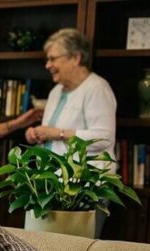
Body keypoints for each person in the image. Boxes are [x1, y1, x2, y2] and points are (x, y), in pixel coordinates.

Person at [25, 28, 116, 161]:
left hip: (84, 179)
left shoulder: (97, 88)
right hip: (53, 178)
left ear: (75, 58)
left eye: (52, 59)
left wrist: (59, 134)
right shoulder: (56, 91)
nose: (47, 65)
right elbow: (51, 137)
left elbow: (103, 139)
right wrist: (36, 134)